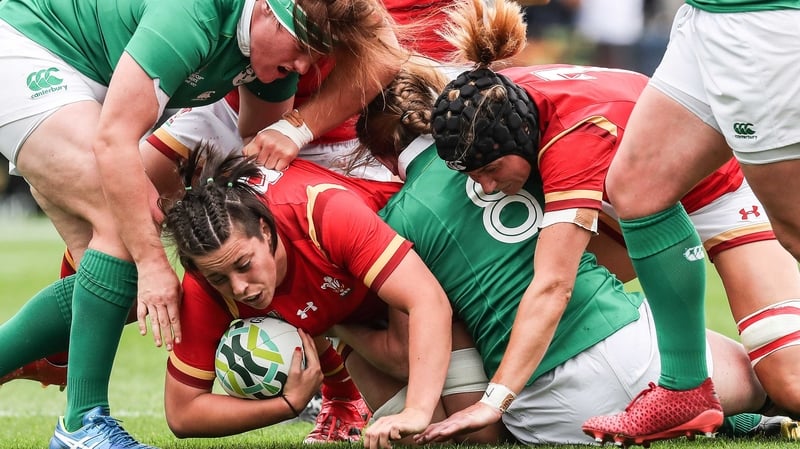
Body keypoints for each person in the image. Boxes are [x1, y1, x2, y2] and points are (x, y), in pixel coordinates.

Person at [353, 0, 800, 446]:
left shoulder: (570, 142)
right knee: (538, 268)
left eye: (488, 172)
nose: (485, 187)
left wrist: (494, 402)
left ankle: (701, 393)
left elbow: (552, 288)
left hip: (713, 186)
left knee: (788, 381)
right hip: (636, 190)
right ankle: (688, 391)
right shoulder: (490, 101)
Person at [0, 0, 402, 446]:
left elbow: (250, 155)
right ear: (267, 11)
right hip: (29, 46)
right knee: (126, 231)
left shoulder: (274, 59)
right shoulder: (192, 13)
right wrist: (155, 264)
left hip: (86, 81)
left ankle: (38, 370)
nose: (305, 65)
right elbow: (114, 140)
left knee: (122, 286)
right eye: (303, 47)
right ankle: (80, 427)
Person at [577, 0, 800, 446]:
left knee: (794, 227)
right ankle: (684, 389)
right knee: (638, 188)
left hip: (759, 21)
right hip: (707, 17)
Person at [157, 147, 453, 449]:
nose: (239, 288)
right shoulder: (206, 277)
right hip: (357, 319)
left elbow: (428, 301)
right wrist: (287, 404)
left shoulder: (321, 213)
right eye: (219, 278)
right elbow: (182, 414)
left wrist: (417, 409)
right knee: (422, 440)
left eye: (245, 265)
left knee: (478, 433)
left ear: (265, 231)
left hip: (433, 271)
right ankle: (345, 393)